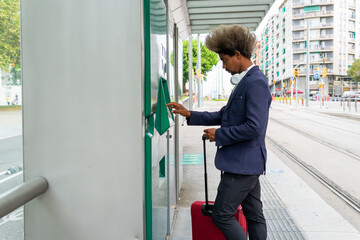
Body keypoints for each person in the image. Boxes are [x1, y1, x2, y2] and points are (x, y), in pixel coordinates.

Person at [167, 25, 271, 240]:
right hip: (247, 164)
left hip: (241, 166)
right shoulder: (246, 82)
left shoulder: (255, 83)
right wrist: (189, 113)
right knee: (254, 216)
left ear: (238, 55)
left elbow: (255, 127)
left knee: (222, 215)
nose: (223, 66)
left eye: (224, 60)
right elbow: (224, 114)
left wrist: (220, 135)